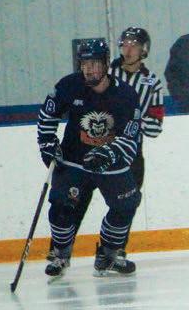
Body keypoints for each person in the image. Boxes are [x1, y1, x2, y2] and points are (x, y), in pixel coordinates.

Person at [37, 39, 144, 279]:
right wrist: (47, 143)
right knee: (60, 206)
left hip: (111, 164)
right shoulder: (68, 86)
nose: (89, 69)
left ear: (106, 64)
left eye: (95, 64)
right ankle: (60, 253)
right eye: (85, 64)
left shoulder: (126, 95)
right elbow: (47, 116)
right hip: (74, 160)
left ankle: (108, 255)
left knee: (126, 205)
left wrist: (108, 153)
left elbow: (131, 138)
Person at [110, 26, 165, 191]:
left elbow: (155, 128)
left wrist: (133, 119)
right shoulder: (106, 74)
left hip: (132, 151)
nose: (128, 50)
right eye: (125, 45)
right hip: (100, 144)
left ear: (143, 49)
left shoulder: (152, 83)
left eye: (133, 45)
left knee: (130, 201)